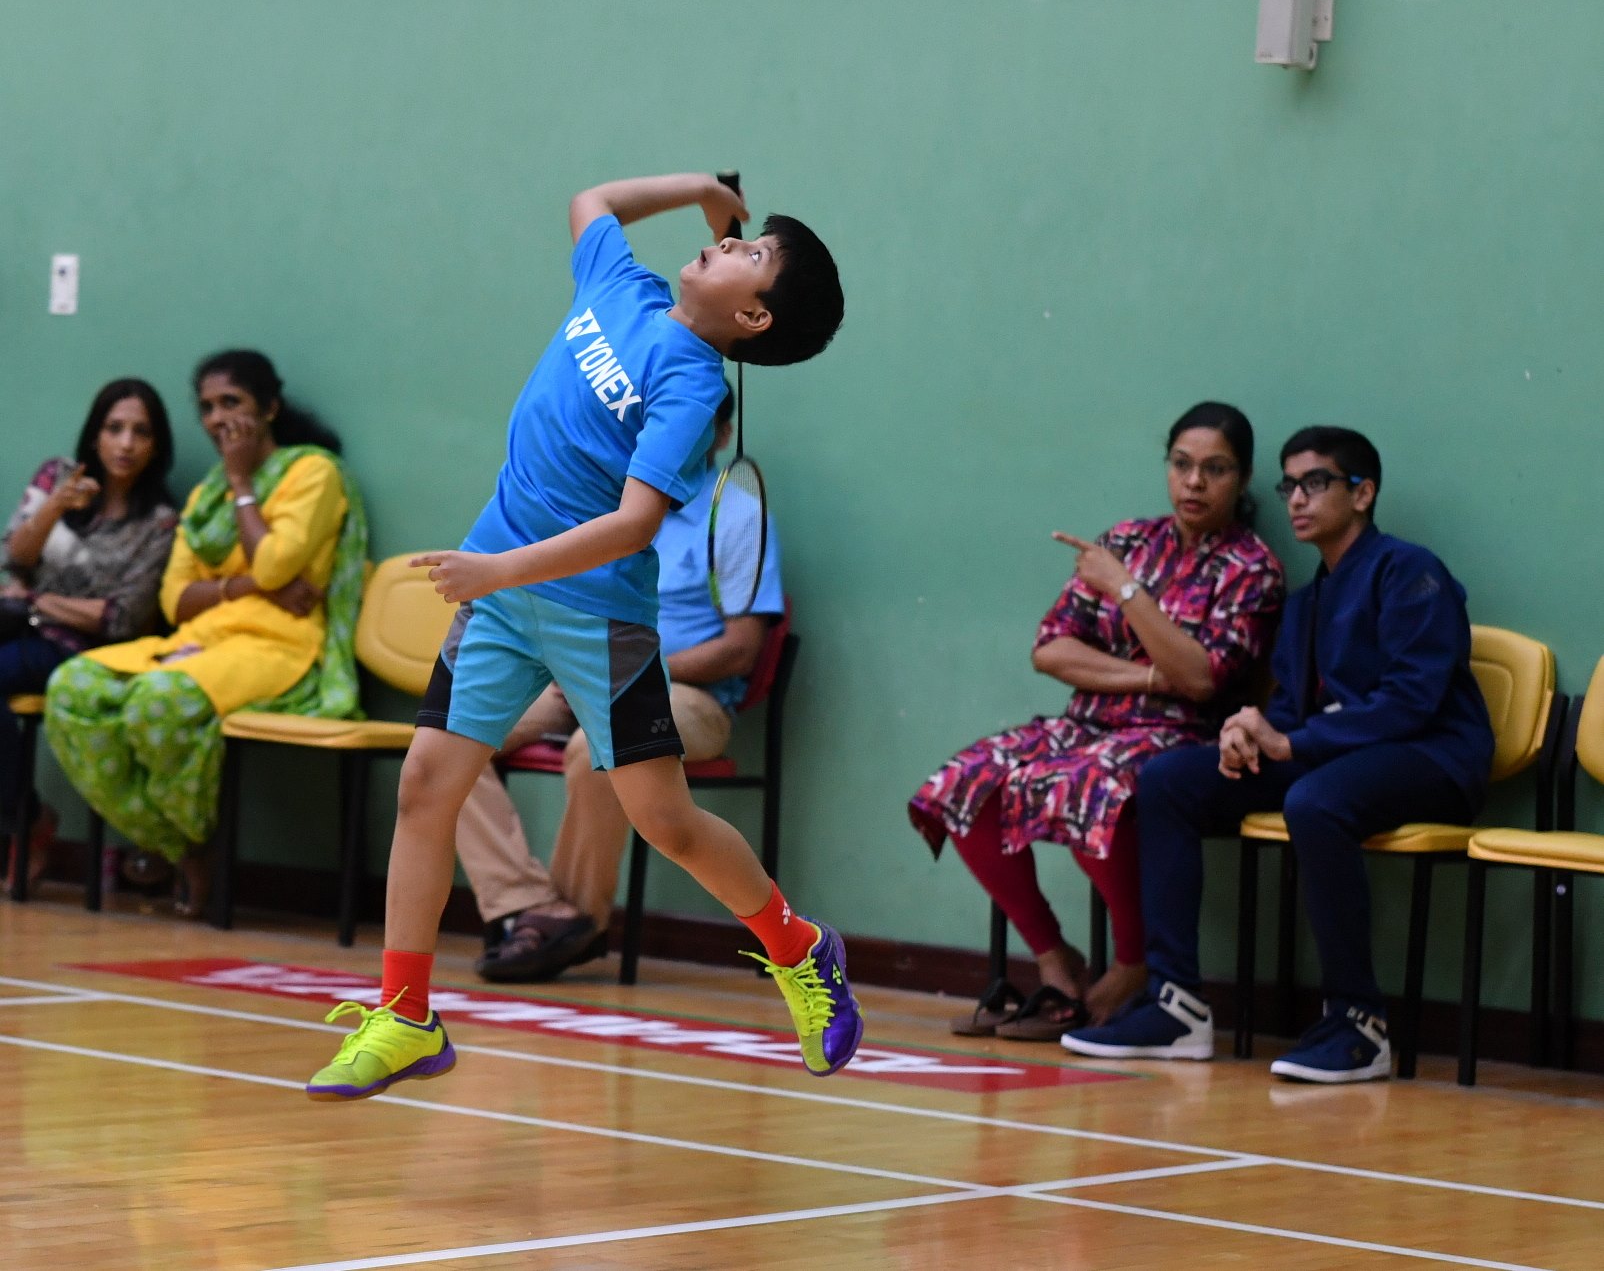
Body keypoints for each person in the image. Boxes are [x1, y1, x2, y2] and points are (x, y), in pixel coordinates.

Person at [304, 172, 855, 1101]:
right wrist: (701, 188)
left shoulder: (689, 383)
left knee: (666, 821)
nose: (726, 244)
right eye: (738, 236)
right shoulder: (624, 290)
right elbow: (590, 202)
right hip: (501, 592)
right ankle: (403, 1015)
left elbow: (638, 524)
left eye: (750, 255)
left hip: (594, 615)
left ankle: (800, 949)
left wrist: (497, 572)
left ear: (755, 320)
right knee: (427, 786)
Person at [1064, 427, 1494, 1083]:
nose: (1296, 497)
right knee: (1174, 778)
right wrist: (1248, 733)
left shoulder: (1410, 571)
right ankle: (1177, 1006)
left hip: (1430, 757)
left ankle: (1359, 1023)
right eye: (1288, 484)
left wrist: (1292, 742)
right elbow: (1293, 711)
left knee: (1316, 800)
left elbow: (1412, 702)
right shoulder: (1306, 603)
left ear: (1363, 493)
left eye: (1315, 482)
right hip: (1337, 758)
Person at [909, 403, 1284, 1040]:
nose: (1194, 483)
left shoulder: (1251, 568)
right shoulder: (1127, 542)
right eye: (1182, 465)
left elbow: (1200, 680)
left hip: (1180, 737)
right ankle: (1057, 964)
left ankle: (1134, 964)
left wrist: (1128, 594)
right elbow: (1051, 649)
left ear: (1242, 479)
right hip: (1088, 722)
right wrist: (1148, 673)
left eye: (1215, 470)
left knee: (1093, 785)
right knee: (963, 784)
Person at [463, 385, 784, 982]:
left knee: (598, 751)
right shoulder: (603, 506)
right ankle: (532, 907)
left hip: (689, 699)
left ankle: (570, 925)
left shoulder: (733, 513)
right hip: (583, 677)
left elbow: (740, 650)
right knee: (453, 742)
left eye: (688, 425)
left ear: (716, 436)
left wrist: (621, 673)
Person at [45, 350, 367, 915]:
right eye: (207, 409)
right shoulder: (203, 497)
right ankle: (186, 848)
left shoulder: (312, 473)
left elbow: (273, 564)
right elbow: (175, 598)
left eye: (232, 403)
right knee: (72, 687)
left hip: (280, 645)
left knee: (159, 701)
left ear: (269, 407)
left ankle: (194, 851)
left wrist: (243, 484)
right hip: (198, 643)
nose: (220, 420)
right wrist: (247, 587)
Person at [1, 379, 179, 892]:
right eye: (114, 428)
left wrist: (35, 600)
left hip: (78, 652)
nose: (125, 443)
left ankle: (26, 822)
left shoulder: (160, 522)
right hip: (20, 630)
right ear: (95, 434)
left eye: (140, 432)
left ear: (156, 445)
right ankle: (24, 818)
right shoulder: (56, 477)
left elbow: (120, 618)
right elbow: (14, 555)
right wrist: (55, 506)